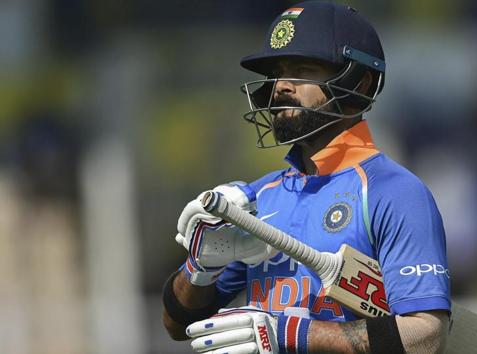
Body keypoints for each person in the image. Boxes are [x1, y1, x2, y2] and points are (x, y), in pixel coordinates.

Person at [162, 2, 451, 353]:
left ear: (360, 80)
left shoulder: (394, 193)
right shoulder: (258, 197)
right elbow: (177, 325)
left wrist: (289, 335)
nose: (281, 85)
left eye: (302, 69)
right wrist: (200, 266)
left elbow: (426, 337)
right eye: (279, 72)